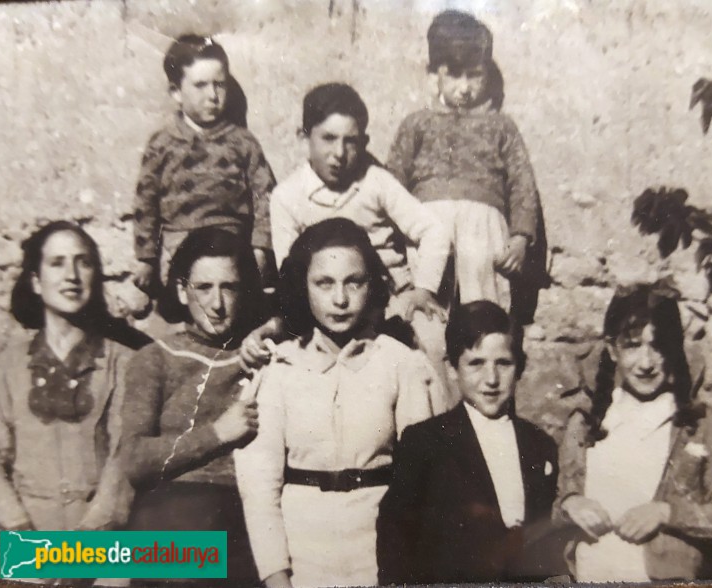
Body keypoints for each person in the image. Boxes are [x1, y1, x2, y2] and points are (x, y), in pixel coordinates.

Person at [235, 218, 447, 588]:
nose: (340, 299)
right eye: (324, 283)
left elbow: (423, 485)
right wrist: (276, 577)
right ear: (304, 285)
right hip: (303, 554)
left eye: (354, 281)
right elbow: (259, 489)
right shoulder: (280, 368)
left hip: (381, 553)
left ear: (371, 286)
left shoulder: (401, 363)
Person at [265, 82, 452, 392]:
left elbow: (434, 230)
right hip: (330, 305)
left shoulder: (375, 181)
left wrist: (424, 289)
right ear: (303, 137)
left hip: (392, 298)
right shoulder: (287, 196)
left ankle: (442, 430)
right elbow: (291, 271)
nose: (339, 153)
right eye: (328, 139)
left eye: (351, 142)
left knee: (432, 341)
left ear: (364, 142)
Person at [554, 282, 712, 581]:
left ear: (674, 349)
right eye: (632, 345)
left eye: (658, 346)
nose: (646, 363)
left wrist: (667, 513)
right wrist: (570, 504)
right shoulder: (586, 424)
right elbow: (555, 504)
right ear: (612, 350)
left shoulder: (697, 427)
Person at [377, 300, 564, 584]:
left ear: (520, 369)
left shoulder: (539, 445)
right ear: (453, 369)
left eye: (503, 364)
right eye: (476, 363)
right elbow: (396, 536)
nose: (491, 379)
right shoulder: (426, 442)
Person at [386, 10, 548, 335]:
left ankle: (488, 345)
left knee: (484, 303)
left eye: (474, 75)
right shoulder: (416, 124)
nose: (465, 87)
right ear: (435, 75)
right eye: (454, 75)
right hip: (428, 224)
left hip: (484, 227)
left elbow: (521, 184)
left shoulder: (501, 126)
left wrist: (520, 238)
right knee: (427, 310)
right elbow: (392, 185)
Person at [121, 228, 267, 586]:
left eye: (229, 287)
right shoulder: (155, 359)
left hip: (246, 522)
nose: (217, 304)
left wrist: (272, 327)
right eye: (204, 288)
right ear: (182, 291)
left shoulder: (261, 351)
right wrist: (217, 433)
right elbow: (135, 460)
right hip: (174, 520)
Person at [0, 221, 140, 532]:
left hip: (100, 545)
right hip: (21, 541)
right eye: (57, 263)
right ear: (35, 280)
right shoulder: (8, 364)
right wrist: (19, 535)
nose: (71, 275)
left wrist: (83, 547)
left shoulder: (123, 362)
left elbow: (123, 463)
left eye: (82, 262)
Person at [132, 34, 276, 294]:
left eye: (219, 85)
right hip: (178, 243)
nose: (212, 95)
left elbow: (264, 196)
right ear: (176, 91)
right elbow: (146, 202)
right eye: (200, 85)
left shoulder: (243, 142)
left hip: (231, 243)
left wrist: (260, 248)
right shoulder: (162, 143)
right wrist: (146, 259)